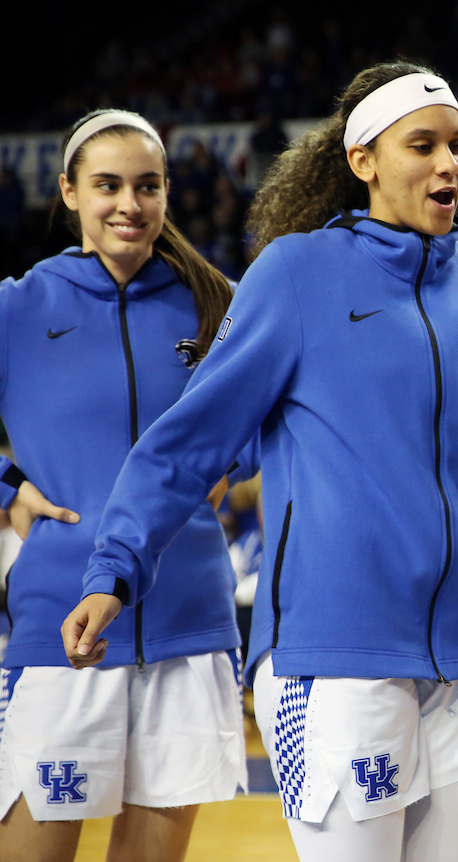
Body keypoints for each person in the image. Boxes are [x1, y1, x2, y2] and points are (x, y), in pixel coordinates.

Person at [60, 63, 458, 862]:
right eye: (424, 145)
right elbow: (190, 441)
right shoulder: (297, 273)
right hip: (333, 660)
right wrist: (114, 568)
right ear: (363, 159)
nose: (450, 165)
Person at [0, 109, 255, 862]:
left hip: (190, 619)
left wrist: (229, 465)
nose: (129, 204)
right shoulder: (20, 306)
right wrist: (7, 484)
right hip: (61, 623)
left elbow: (268, 418)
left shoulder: (215, 303)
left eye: (148, 186)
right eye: (107, 185)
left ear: (168, 193)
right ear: (69, 192)